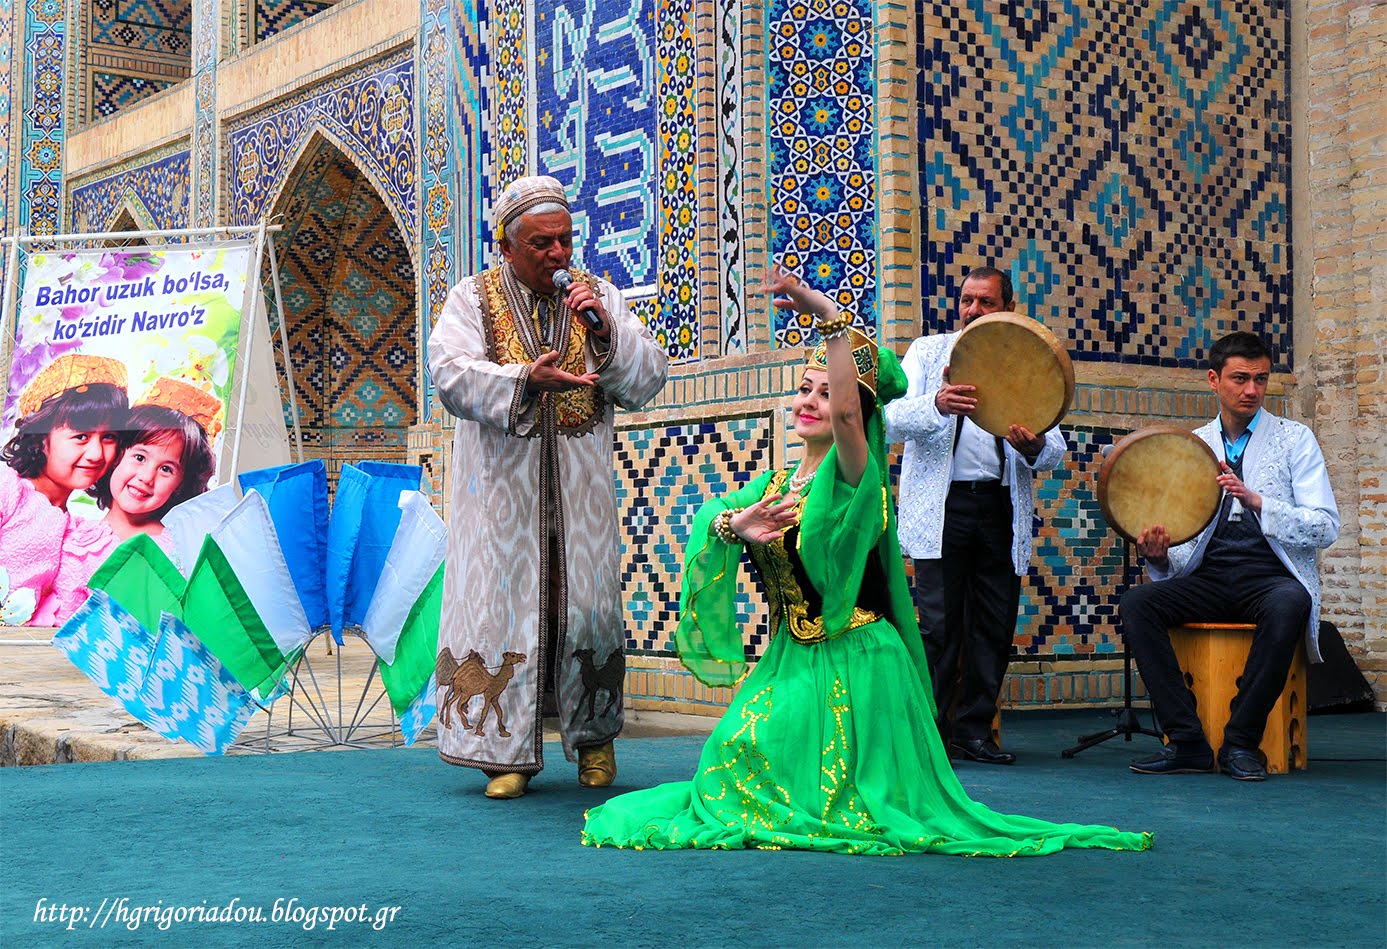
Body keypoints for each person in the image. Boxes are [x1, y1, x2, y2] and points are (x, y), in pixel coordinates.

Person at [581, 265, 1149, 856]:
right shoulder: (778, 482)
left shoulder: (855, 476)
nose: (810, 401)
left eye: (826, 393)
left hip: (858, 663)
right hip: (791, 659)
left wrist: (822, 312)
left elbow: (857, 415)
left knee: (967, 646)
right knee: (727, 762)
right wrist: (735, 525)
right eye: (805, 389)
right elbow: (715, 514)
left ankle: (965, 733)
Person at [427, 175, 668, 799]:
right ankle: (503, 754)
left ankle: (596, 743)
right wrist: (522, 381)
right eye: (542, 244)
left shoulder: (598, 297)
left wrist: (606, 336)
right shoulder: (471, 299)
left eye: (565, 240)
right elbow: (448, 375)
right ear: (506, 247)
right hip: (503, 499)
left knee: (583, 611)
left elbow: (648, 378)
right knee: (507, 611)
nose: (559, 254)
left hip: (580, 497)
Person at [1122, 331, 1339, 782]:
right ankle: (1186, 742)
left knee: (1290, 603)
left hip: (1270, 577)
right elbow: (1181, 542)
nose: (1252, 390)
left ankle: (1242, 741)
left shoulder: (1295, 439)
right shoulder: (1192, 445)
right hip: (1209, 578)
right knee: (1137, 604)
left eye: (1260, 379)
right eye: (1240, 378)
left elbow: (1325, 527)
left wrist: (1259, 502)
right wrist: (1159, 558)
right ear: (1213, 380)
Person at [884, 266, 1065, 764]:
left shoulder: (1027, 356)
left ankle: (974, 732)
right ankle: (928, 736)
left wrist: (1035, 446)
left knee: (993, 622)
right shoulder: (928, 352)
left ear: (1008, 307)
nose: (972, 310)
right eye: (966, 300)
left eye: (985, 302)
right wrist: (937, 404)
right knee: (938, 627)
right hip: (942, 508)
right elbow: (888, 422)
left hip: (1001, 507)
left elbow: (1057, 450)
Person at [0, 354, 126, 625]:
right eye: (81, 436)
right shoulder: (7, 487)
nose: (95, 453)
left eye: (109, 438)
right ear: (40, 439)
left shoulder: (78, 533)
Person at [93, 377, 219, 552]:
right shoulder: (75, 536)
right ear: (117, 455)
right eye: (139, 458)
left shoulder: (179, 549)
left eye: (166, 469)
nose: (146, 477)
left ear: (180, 485)